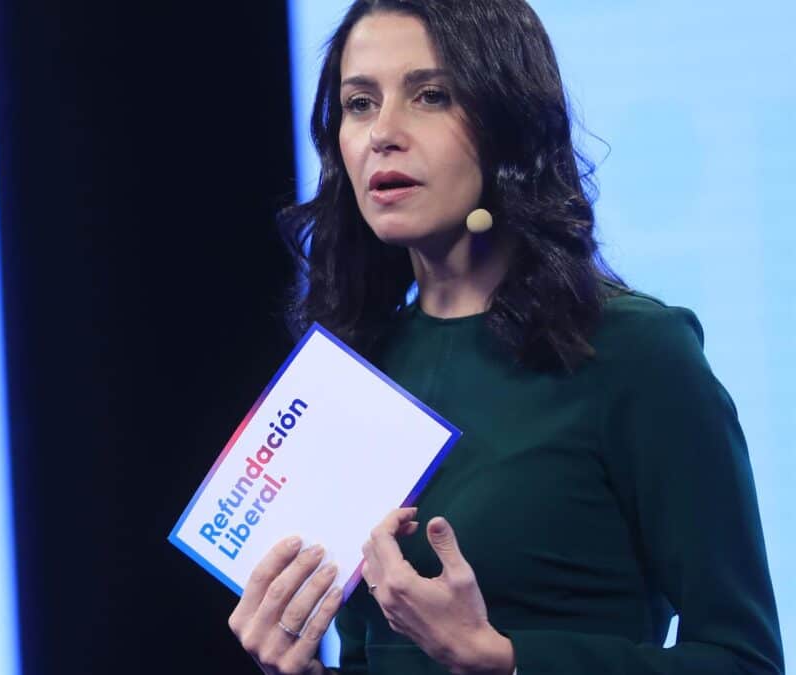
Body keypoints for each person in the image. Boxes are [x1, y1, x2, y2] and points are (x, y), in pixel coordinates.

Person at [225, 1, 785, 673]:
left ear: (507, 122)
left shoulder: (636, 352)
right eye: (359, 103)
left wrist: (505, 660)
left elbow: (742, 658)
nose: (383, 133)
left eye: (430, 95)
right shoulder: (358, 369)